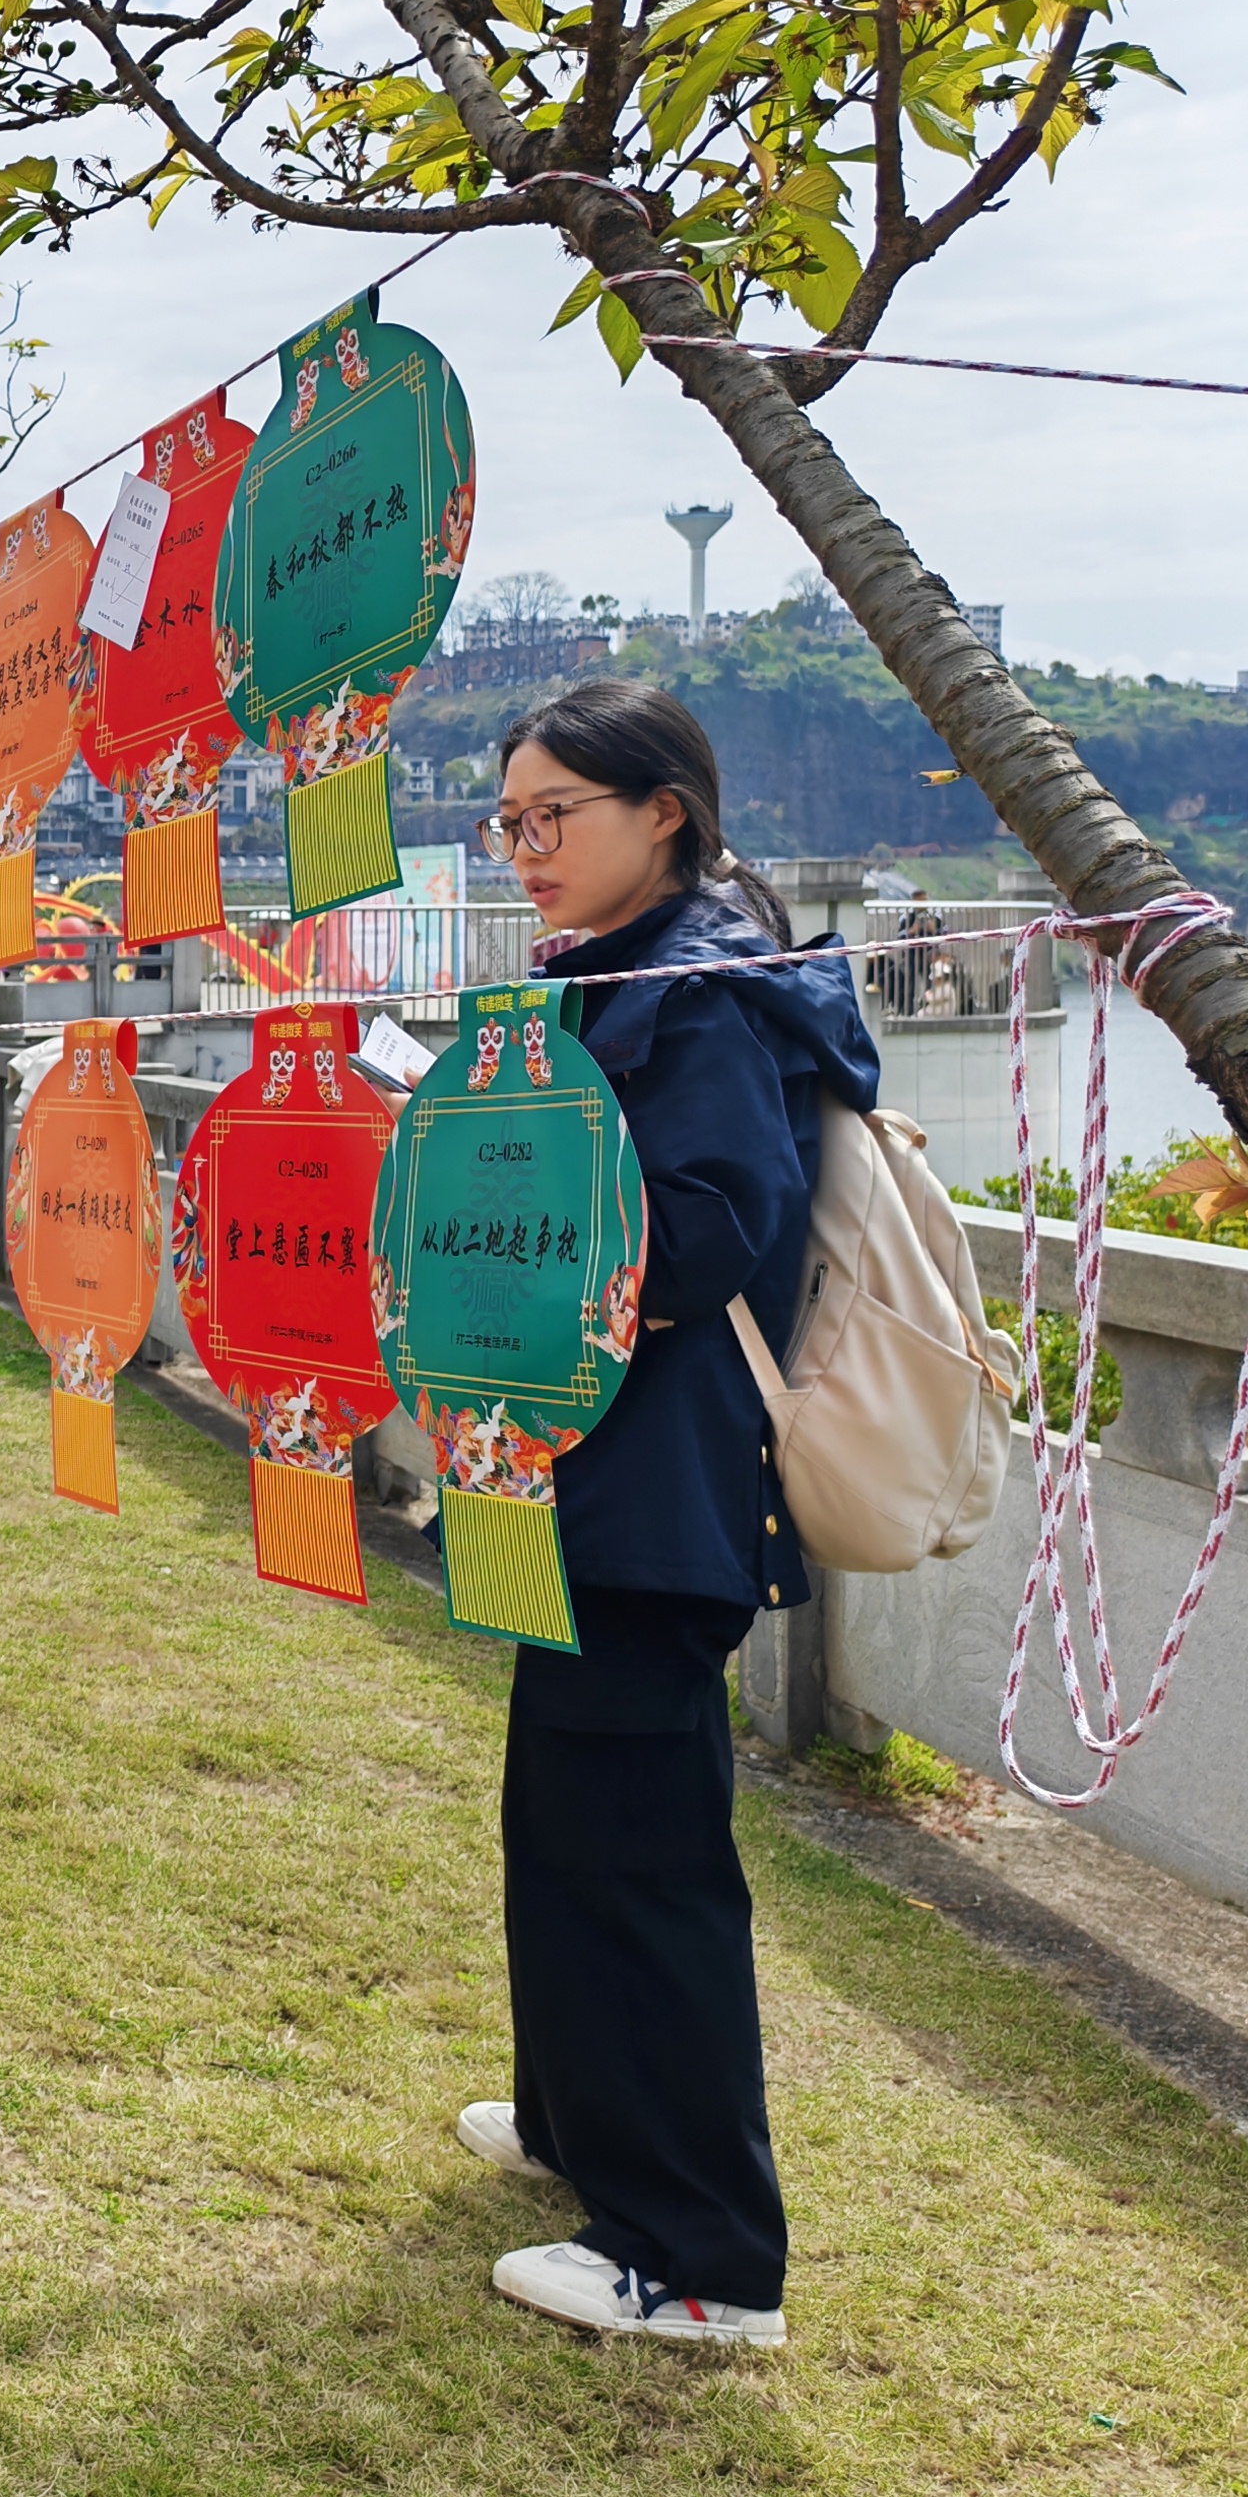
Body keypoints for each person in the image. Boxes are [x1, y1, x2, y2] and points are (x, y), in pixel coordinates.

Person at [453, 676, 873, 2355]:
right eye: (510, 820)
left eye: (555, 815)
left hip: (655, 1475)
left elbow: (700, 1235)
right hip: (565, 1462)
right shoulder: (608, 977)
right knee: (561, 1808)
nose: (526, 846)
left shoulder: (701, 995)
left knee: (642, 1851)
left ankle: (702, 2253)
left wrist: (501, 1200)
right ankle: (575, 2122)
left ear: (664, 815)